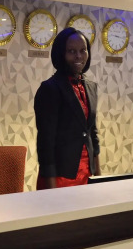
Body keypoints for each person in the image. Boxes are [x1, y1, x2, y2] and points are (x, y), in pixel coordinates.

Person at [34, 27, 101, 189]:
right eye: (71, 51)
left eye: (83, 50)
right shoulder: (49, 89)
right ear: (61, 54)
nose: (79, 56)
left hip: (87, 173)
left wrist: (98, 174)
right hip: (59, 177)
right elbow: (46, 142)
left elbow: (92, 133)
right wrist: (50, 188)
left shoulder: (91, 87)